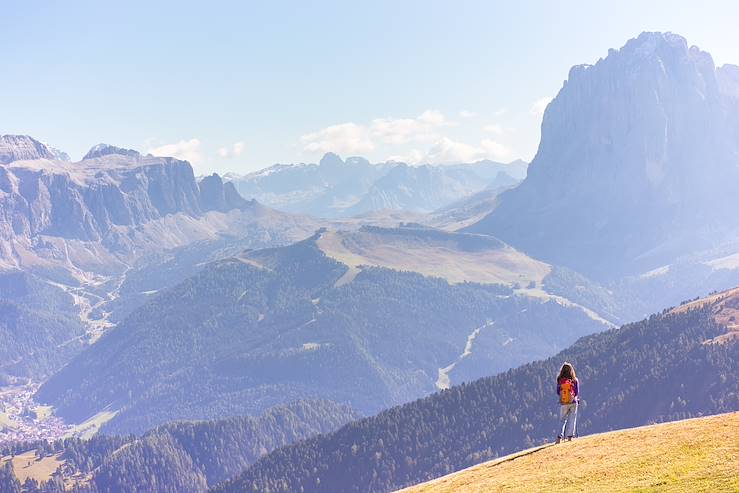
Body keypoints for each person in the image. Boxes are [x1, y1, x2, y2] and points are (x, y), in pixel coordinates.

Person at [555, 362, 579, 444]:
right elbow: (576, 392)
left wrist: (564, 396)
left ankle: (559, 437)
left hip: (563, 403)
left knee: (562, 420)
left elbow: (558, 392)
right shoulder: (574, 380)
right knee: (572, 419)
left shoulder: (559, 380)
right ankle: (570, 437)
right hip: (573, 402)